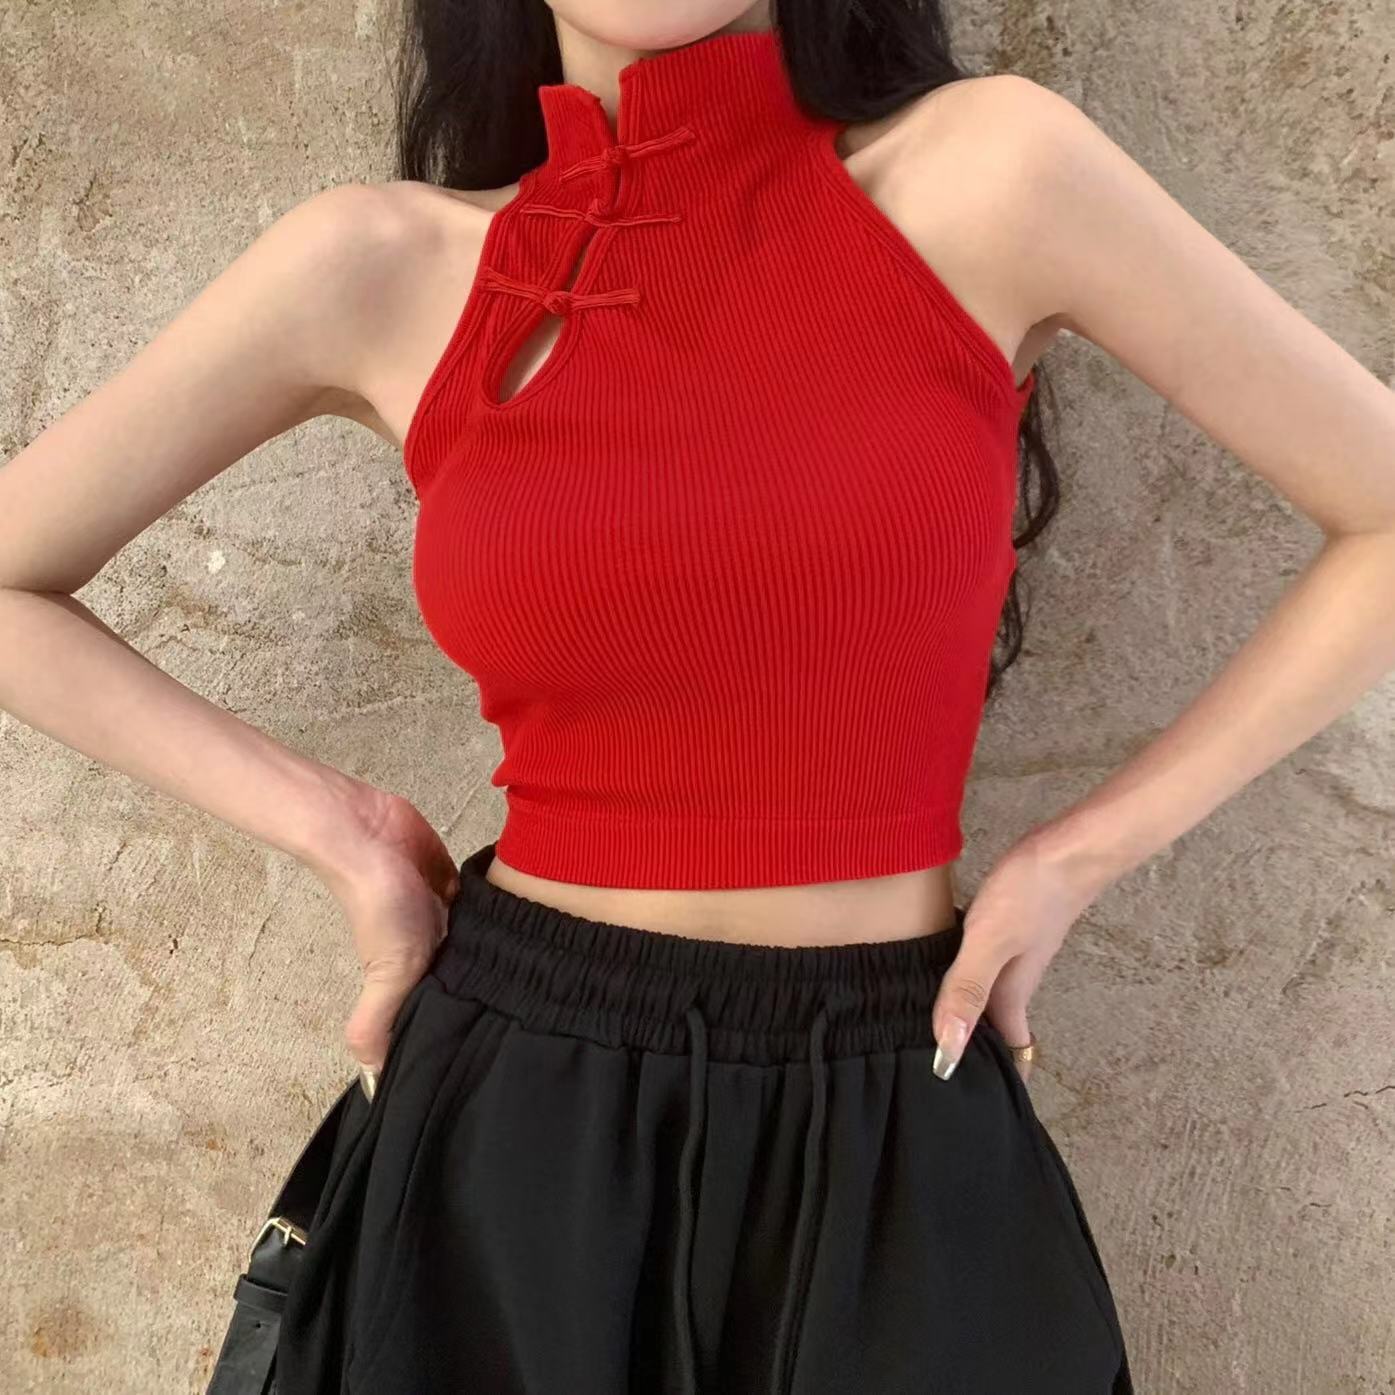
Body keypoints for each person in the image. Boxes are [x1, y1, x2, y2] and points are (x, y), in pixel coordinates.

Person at [3, 2, 1393, 1392]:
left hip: (904, 1101)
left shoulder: (994, 174)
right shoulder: (382, 262)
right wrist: (342, 829)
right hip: (511, 1140)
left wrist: (1076, 859)